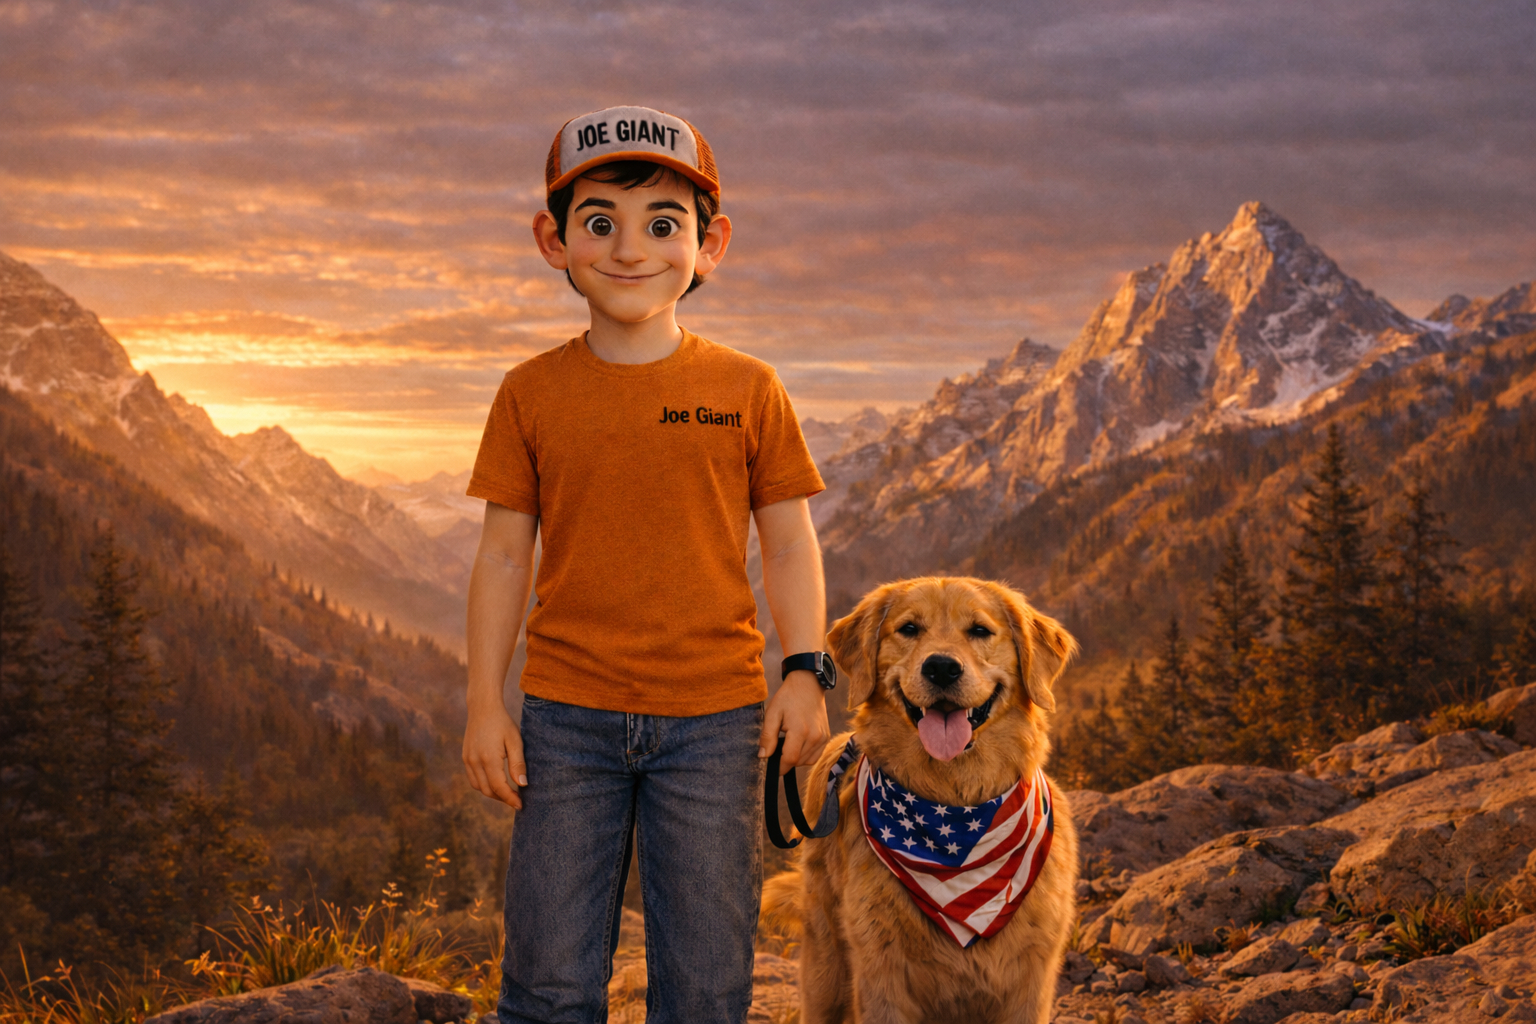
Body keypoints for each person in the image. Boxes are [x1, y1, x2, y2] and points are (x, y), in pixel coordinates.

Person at [461, 105, 834, 1024]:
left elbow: (788, 541)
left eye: (664, 225)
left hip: (713, 721)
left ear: (712, 245)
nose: (631, 249)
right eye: (601, 223)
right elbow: (504, 557)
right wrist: (482, 705)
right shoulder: (530, 393)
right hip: (565, 722)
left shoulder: (749, 388)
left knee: (707, 985)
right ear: (554, 240)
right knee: (548, 978)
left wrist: (804, 670)